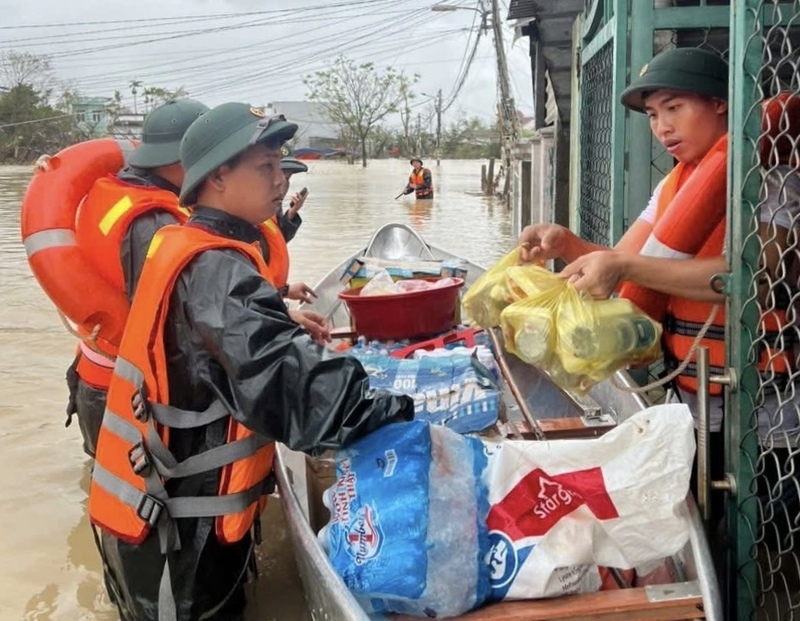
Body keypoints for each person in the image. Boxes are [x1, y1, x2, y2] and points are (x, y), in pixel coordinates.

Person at [87, 102, 415, 621]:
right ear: (217, 177)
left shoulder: (195, 244)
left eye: (280, 164)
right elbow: (298, 398)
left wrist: (283, 322)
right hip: (180, 538)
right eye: (265, 168)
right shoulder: (216, 268)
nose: (281, 181)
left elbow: (226, 348)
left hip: (161, 511)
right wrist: (402, 407)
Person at [517, 48, 799, 524]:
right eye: (652, 115)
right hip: (692, 396)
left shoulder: (772, 180)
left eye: (674, 108)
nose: (662, 127)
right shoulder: (676, 185)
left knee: (762, 532)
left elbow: (754, 272)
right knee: (706, 523)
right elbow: (623, 258)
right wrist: (564, 243)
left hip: (764, 406)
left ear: (720, 104)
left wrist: (624, 267)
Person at [64, 98, 209, 457]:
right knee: (137, 505)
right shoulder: (154, 222)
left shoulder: (109, 192)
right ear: (183, 159)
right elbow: (182, 324)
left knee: (106, 494)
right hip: (124, 393)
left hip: (93, 376)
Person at [254, 147, 317, 305]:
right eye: (278, 174)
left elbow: (277, 239)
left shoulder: (272, 206)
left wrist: (292, 213)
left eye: (287, 179)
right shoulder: (245, 223)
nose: (282, 183)